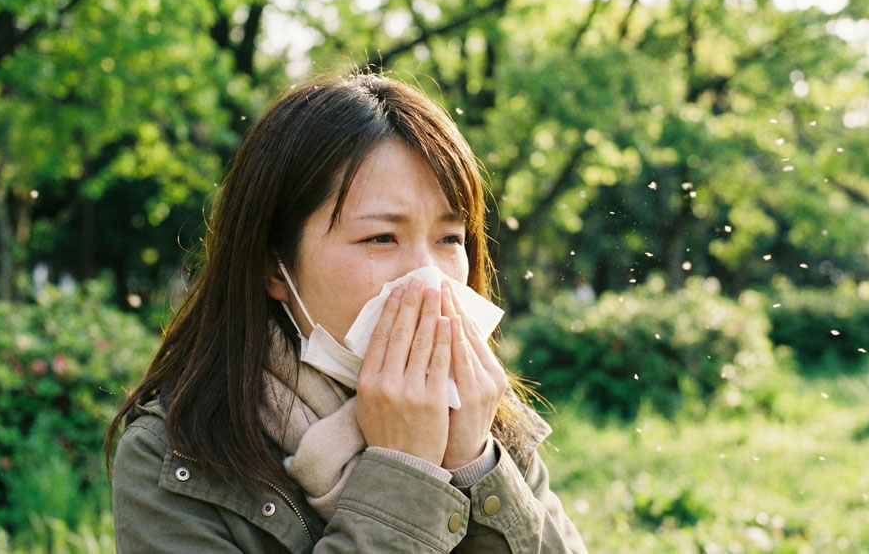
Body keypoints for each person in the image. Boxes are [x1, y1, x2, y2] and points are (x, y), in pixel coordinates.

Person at [106, 73, 588, 553]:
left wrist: (474, 467)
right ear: (273, 266)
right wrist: (404, 475)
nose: (428, 278)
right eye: (381, 238)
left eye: (449, 239)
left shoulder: (484, 414)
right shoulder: (174, 459)